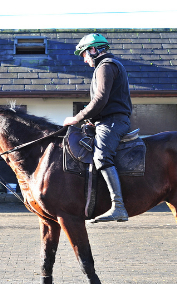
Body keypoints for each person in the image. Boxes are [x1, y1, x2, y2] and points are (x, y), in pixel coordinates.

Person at [63, 33, 133, 223]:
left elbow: (100, 100)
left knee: (101, 156)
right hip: (106, 120)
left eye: (84, 54)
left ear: (93, 50)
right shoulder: (107, 66)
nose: (85, 60)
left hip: (113, 122)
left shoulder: (106, 66)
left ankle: (118, 206)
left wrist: (76, 118)